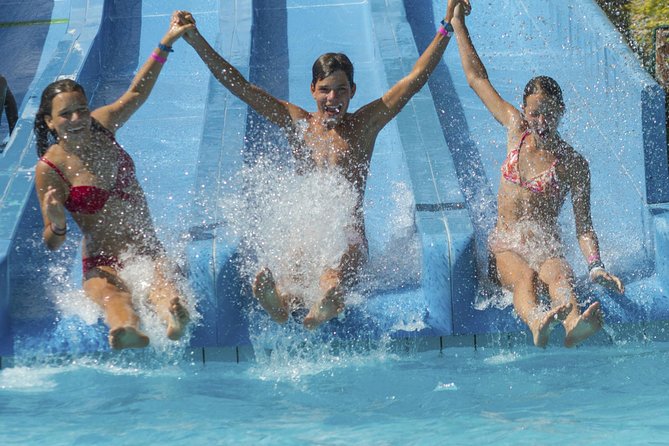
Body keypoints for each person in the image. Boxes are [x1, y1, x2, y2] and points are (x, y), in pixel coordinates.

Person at [176, 0, 471, 329]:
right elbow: (241, 87)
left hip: (350, 235)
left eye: (341, 90)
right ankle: (283, 303)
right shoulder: (298, 124)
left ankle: (330, 296)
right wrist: (196, 40)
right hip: (310, 231)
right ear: (313, 91)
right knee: (292, 270)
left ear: (353, 91)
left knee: (333, 271)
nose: (333, 98)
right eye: (326, 90)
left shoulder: (364, 126)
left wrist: (446, 27)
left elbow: (415, 79)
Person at [450, 4, 625, 347]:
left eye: (549, 114)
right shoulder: (515, 130)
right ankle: (535, 322)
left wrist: (596, 265)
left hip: (546, 246)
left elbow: (584, 226)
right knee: (526, 279)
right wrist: (457, 24)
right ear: (525, 111)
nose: (541, 122)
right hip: (508, 246)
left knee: (560, 275)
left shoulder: (574, 163)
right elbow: (476, 79)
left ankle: (574, 324)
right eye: (534, 114)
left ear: (561, 111)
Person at [33, 12, 193, 350]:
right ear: (49, 122)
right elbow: (52, 243)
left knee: (164, 286)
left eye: (81, 109)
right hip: (101, 260)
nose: (77, 119)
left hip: (146, 249)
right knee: (114, 299)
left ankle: (172, 315)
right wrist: (58, 223)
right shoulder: (50, 168)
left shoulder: (101, 126)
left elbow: (136, 93)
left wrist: (166, 42)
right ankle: (126, 329)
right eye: (66, 114)